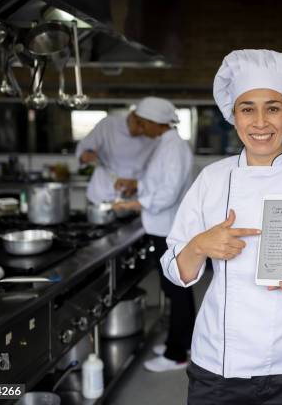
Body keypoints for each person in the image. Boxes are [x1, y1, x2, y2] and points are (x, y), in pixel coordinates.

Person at [160, 49, 282, 404]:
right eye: (247, 108)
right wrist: (200, 245)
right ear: (232, 116)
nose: (260, 122)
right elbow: (175, 272)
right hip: (219, 364)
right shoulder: (212, 180)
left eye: (273, 108)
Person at [112, 98, 196, 373]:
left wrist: (132, 204)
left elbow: (168, 193)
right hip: (163, 227)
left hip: (170, 230)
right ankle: (184, 343)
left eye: (141, 122)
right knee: (175, 290)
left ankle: (176, 355)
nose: (139, 127)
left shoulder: (175, 147)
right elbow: (158, 183)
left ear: (154, 122)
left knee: (177, 290)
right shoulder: (166, 144)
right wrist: (136, 185)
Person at [76, 98, 165, 204]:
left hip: (133, 195)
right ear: (132, 115)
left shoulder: (154, 138)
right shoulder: (107, 125)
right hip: (102, 192)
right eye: (138, 124)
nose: (140, 130)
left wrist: (138, 185)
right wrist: (86, 155)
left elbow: (154, 169)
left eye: (144, 126)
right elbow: (84, 150)